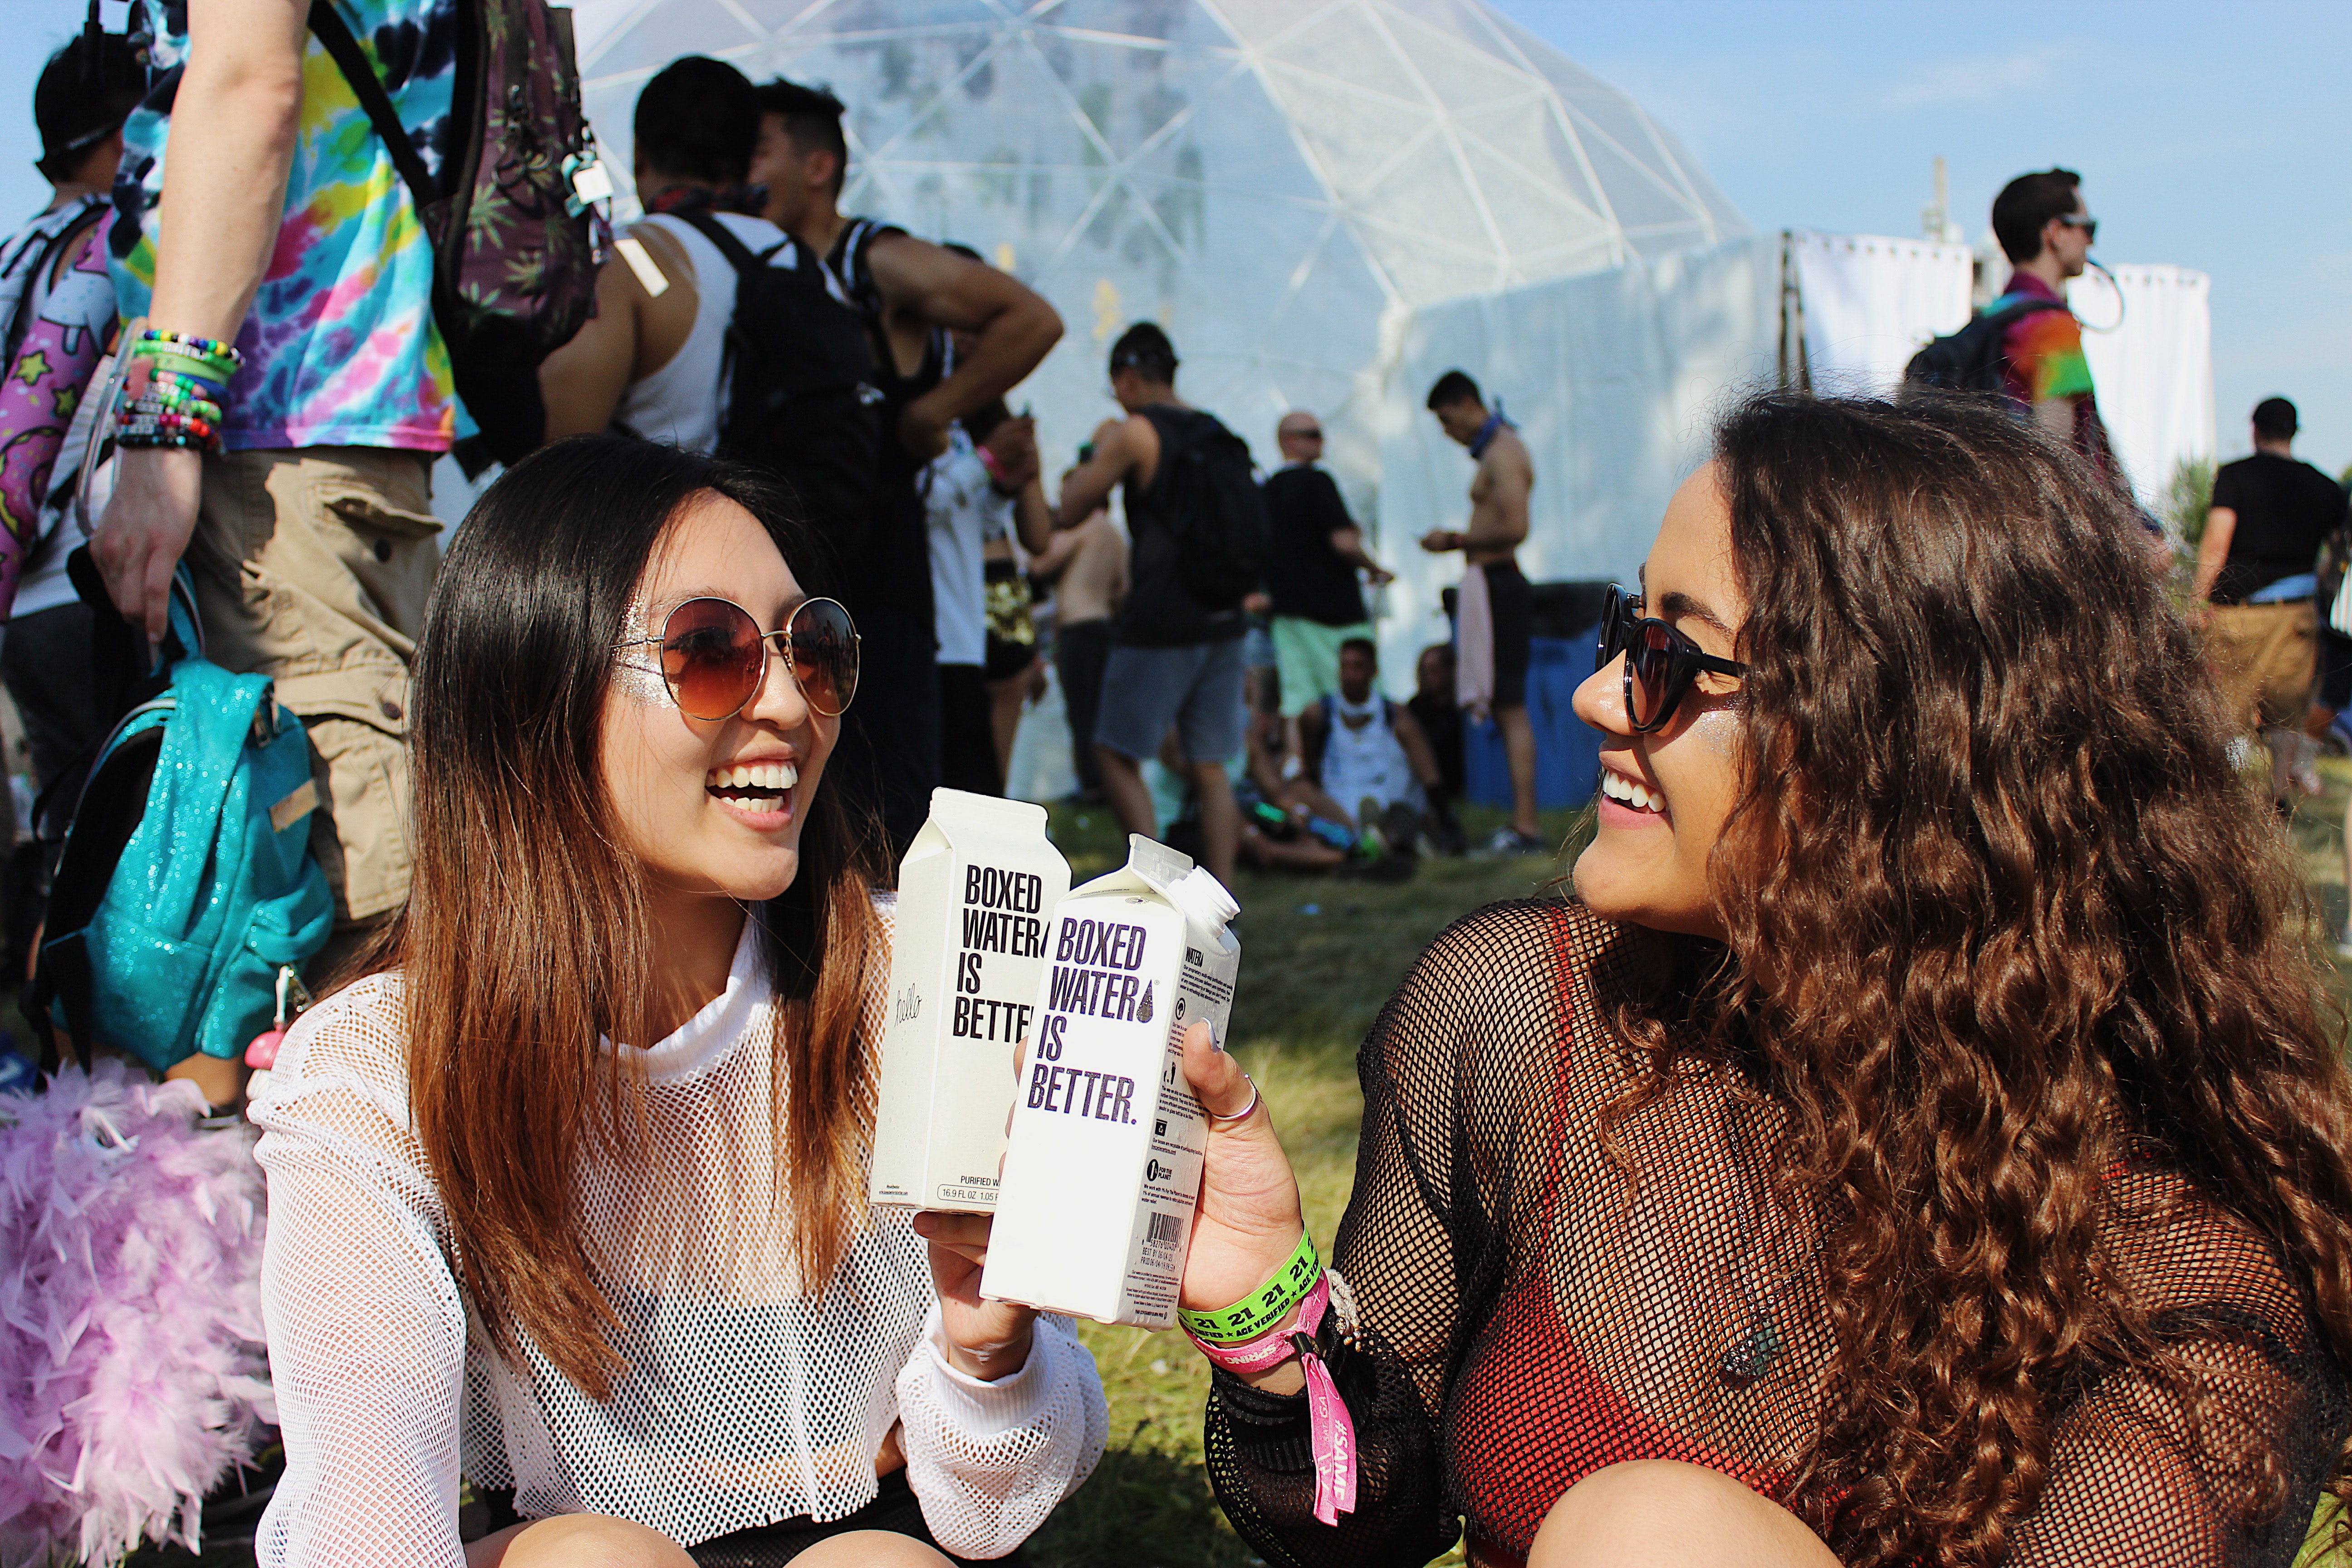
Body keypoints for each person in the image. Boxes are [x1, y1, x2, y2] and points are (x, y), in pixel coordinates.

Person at [1167, 392, 2352, 1567]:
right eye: (1626, 637)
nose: (1598, 696)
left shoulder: (2186, 1267)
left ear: (1902, 744)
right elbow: (1375, 1518)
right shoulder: (1522, 1010)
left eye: (1673, 659)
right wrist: (1268, 1319)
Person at [247, 437, 1107, 1568]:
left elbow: (992, 1507)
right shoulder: (383, 1066)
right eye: (711, 653)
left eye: (816, 650)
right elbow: (365, 1505)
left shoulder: (916, 976)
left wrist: (987, 1347)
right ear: (531, 688)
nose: (792, 706)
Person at [92, 0, 453, 1102]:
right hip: (330, 420)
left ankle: (354, 1249)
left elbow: (250, 83)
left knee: (339, 915)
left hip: (275, 422)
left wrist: (166, 420)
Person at [750, 78, 1063, 851]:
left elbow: (1029, 319)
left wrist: (933, 410)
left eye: (760, 151)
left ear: (816, 167)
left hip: (884, 600)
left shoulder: (870, 258)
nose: (744, 173)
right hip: (797, 585)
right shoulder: (760, 266)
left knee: (893, 827)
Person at [0, 33, 141, 843]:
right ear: (131, 135)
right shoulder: (123, 243)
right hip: (102, 585)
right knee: (141, 851)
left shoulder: (13, 251)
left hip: (24, 606)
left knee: (74, 843)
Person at [1053, 323, 1249, 891]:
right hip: (1226, 617)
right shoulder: (1216, 432)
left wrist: (1097, 446)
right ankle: (1222, 901)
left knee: (1114, 752)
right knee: (1209, 766)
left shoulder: (1137, 432)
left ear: (1129, 378)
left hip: (1163, 623)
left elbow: (1071, 507)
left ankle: (1155, 886)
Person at [537, 57, 783, 453]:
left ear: (639, 153)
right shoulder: (813, 269)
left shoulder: (624, 262)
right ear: (750, 157)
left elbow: (558, 454)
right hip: (799, 512)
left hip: (669, 511)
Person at [2195, 396, 2349, 812]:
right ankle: (2278, 794)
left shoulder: (2236, 477)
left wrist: (2197, 599)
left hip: (2240, 612)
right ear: (2294, 431)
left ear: (2255, 429)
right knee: (2286, 712)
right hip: (2299, 613)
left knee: (2227, 708)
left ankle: (2222, 800)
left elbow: (2217, 541)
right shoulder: (2325, 487)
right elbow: (2338, 551)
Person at [1421, 370, 1541, 854]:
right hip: (1488, 584)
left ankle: (1527, 827)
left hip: (1501, 584)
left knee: (1511, 707)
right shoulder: (1495, 452)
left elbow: (1516, 527)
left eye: (1449, 421)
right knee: (1503, 704)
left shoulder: (1504, 451)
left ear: (1468, 404)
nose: (1450, 433)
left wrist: (1453, 541)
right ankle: (1521, 823)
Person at [1985, 167, 2119, 481]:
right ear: (2056, 233)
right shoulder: (2053, 329)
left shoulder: (1993, 317)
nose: (2090, 242)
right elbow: (2057, 447)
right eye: (2088, 228)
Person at [1263, 411, 1389, 719]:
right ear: (1289, 441)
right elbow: (1344, 542)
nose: (1322, 441)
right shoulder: (1318, 481)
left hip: (1287, 612)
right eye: (1313, 434)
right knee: (1363, 693)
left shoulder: (1266, 491)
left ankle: (1301, 762)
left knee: (1299, 698)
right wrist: (1374, 568)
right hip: (1335, 612)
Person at [1294, 637, 1450, 854]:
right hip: (1339, 804)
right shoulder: (1316, 714)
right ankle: (1383, 839)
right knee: (1299, 790)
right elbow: (1309, 765)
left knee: (1409, 735)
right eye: (1344, 667)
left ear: (1373, 671)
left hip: (1390, 798)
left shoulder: (1395, 714)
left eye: (1357, 667)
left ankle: (1423, 825)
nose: (1349, 675)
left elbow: (1425, 765)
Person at [1031, 478, 1125, 806]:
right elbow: (1123, 589)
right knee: (1101, 711)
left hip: (1078, 626)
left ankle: (1090, 785)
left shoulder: (1082, 526)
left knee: (1081, 712)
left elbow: (1040, 563)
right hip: (1104, 627)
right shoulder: (1115, 535)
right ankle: (1104, 781)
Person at [1406, 642, 1466, 810]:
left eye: (1433, 670)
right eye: (1423, 671)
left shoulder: (1463, 712)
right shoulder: (1415, 709)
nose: (1427, 677)